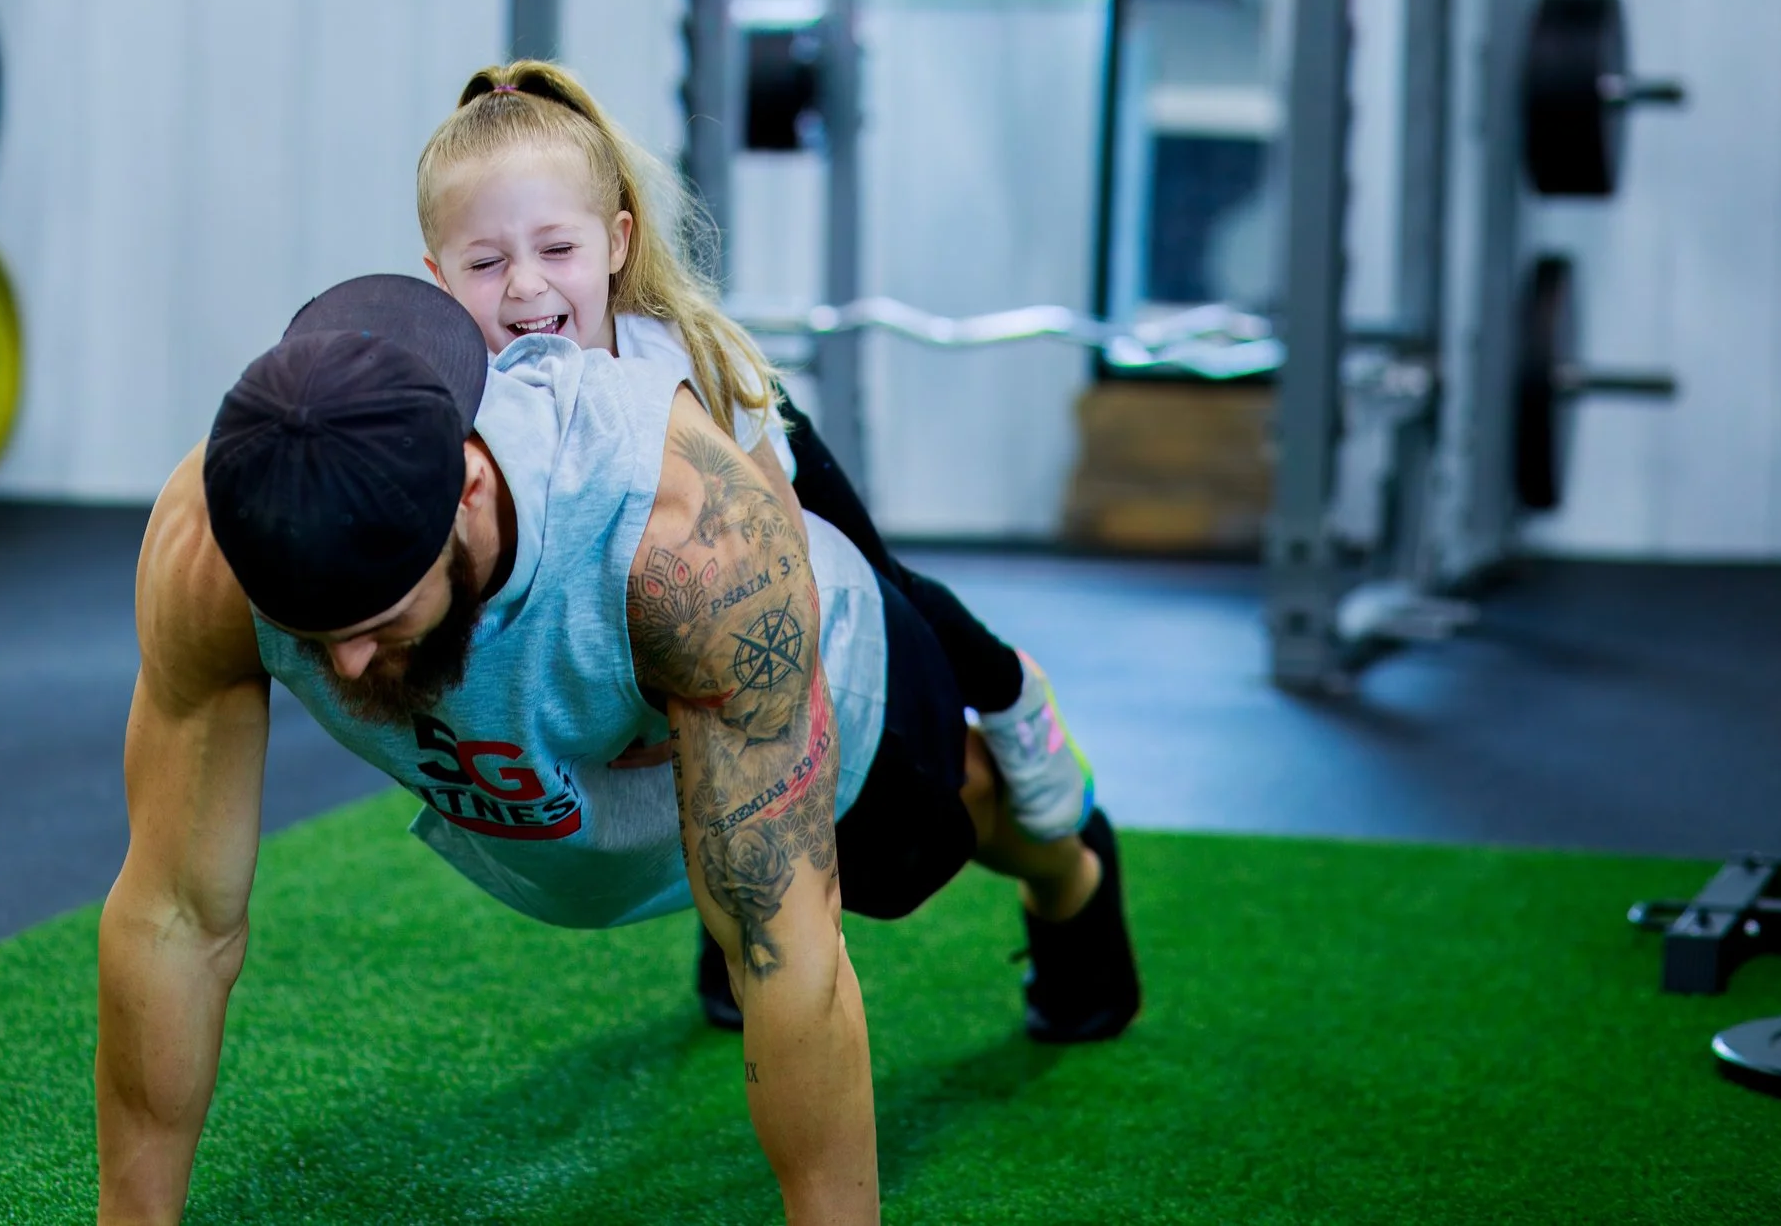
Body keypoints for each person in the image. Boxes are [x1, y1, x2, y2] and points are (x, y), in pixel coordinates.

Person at [96, 272, 1140, 1226]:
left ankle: (1072, 870)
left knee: (949, 821)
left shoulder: (685, 539)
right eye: (309, 632)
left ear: (465, 488)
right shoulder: (212, 546)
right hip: (581, 765)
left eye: (376, 616)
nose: (351, 665)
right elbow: (177, 915)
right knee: (725, 864)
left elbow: (791, 948)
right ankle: (709, 847)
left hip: (808, 681)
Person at [414, 61, 1096, 1027]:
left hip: (777, 486)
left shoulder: (683, 367)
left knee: (895, 607)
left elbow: (779, 578)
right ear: (438, 278)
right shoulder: (457, 404)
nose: (524, 285)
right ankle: (723, 910)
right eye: (486, 264)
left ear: (616, 245)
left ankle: (1014, 690)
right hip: (674, 587)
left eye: (555, 248)